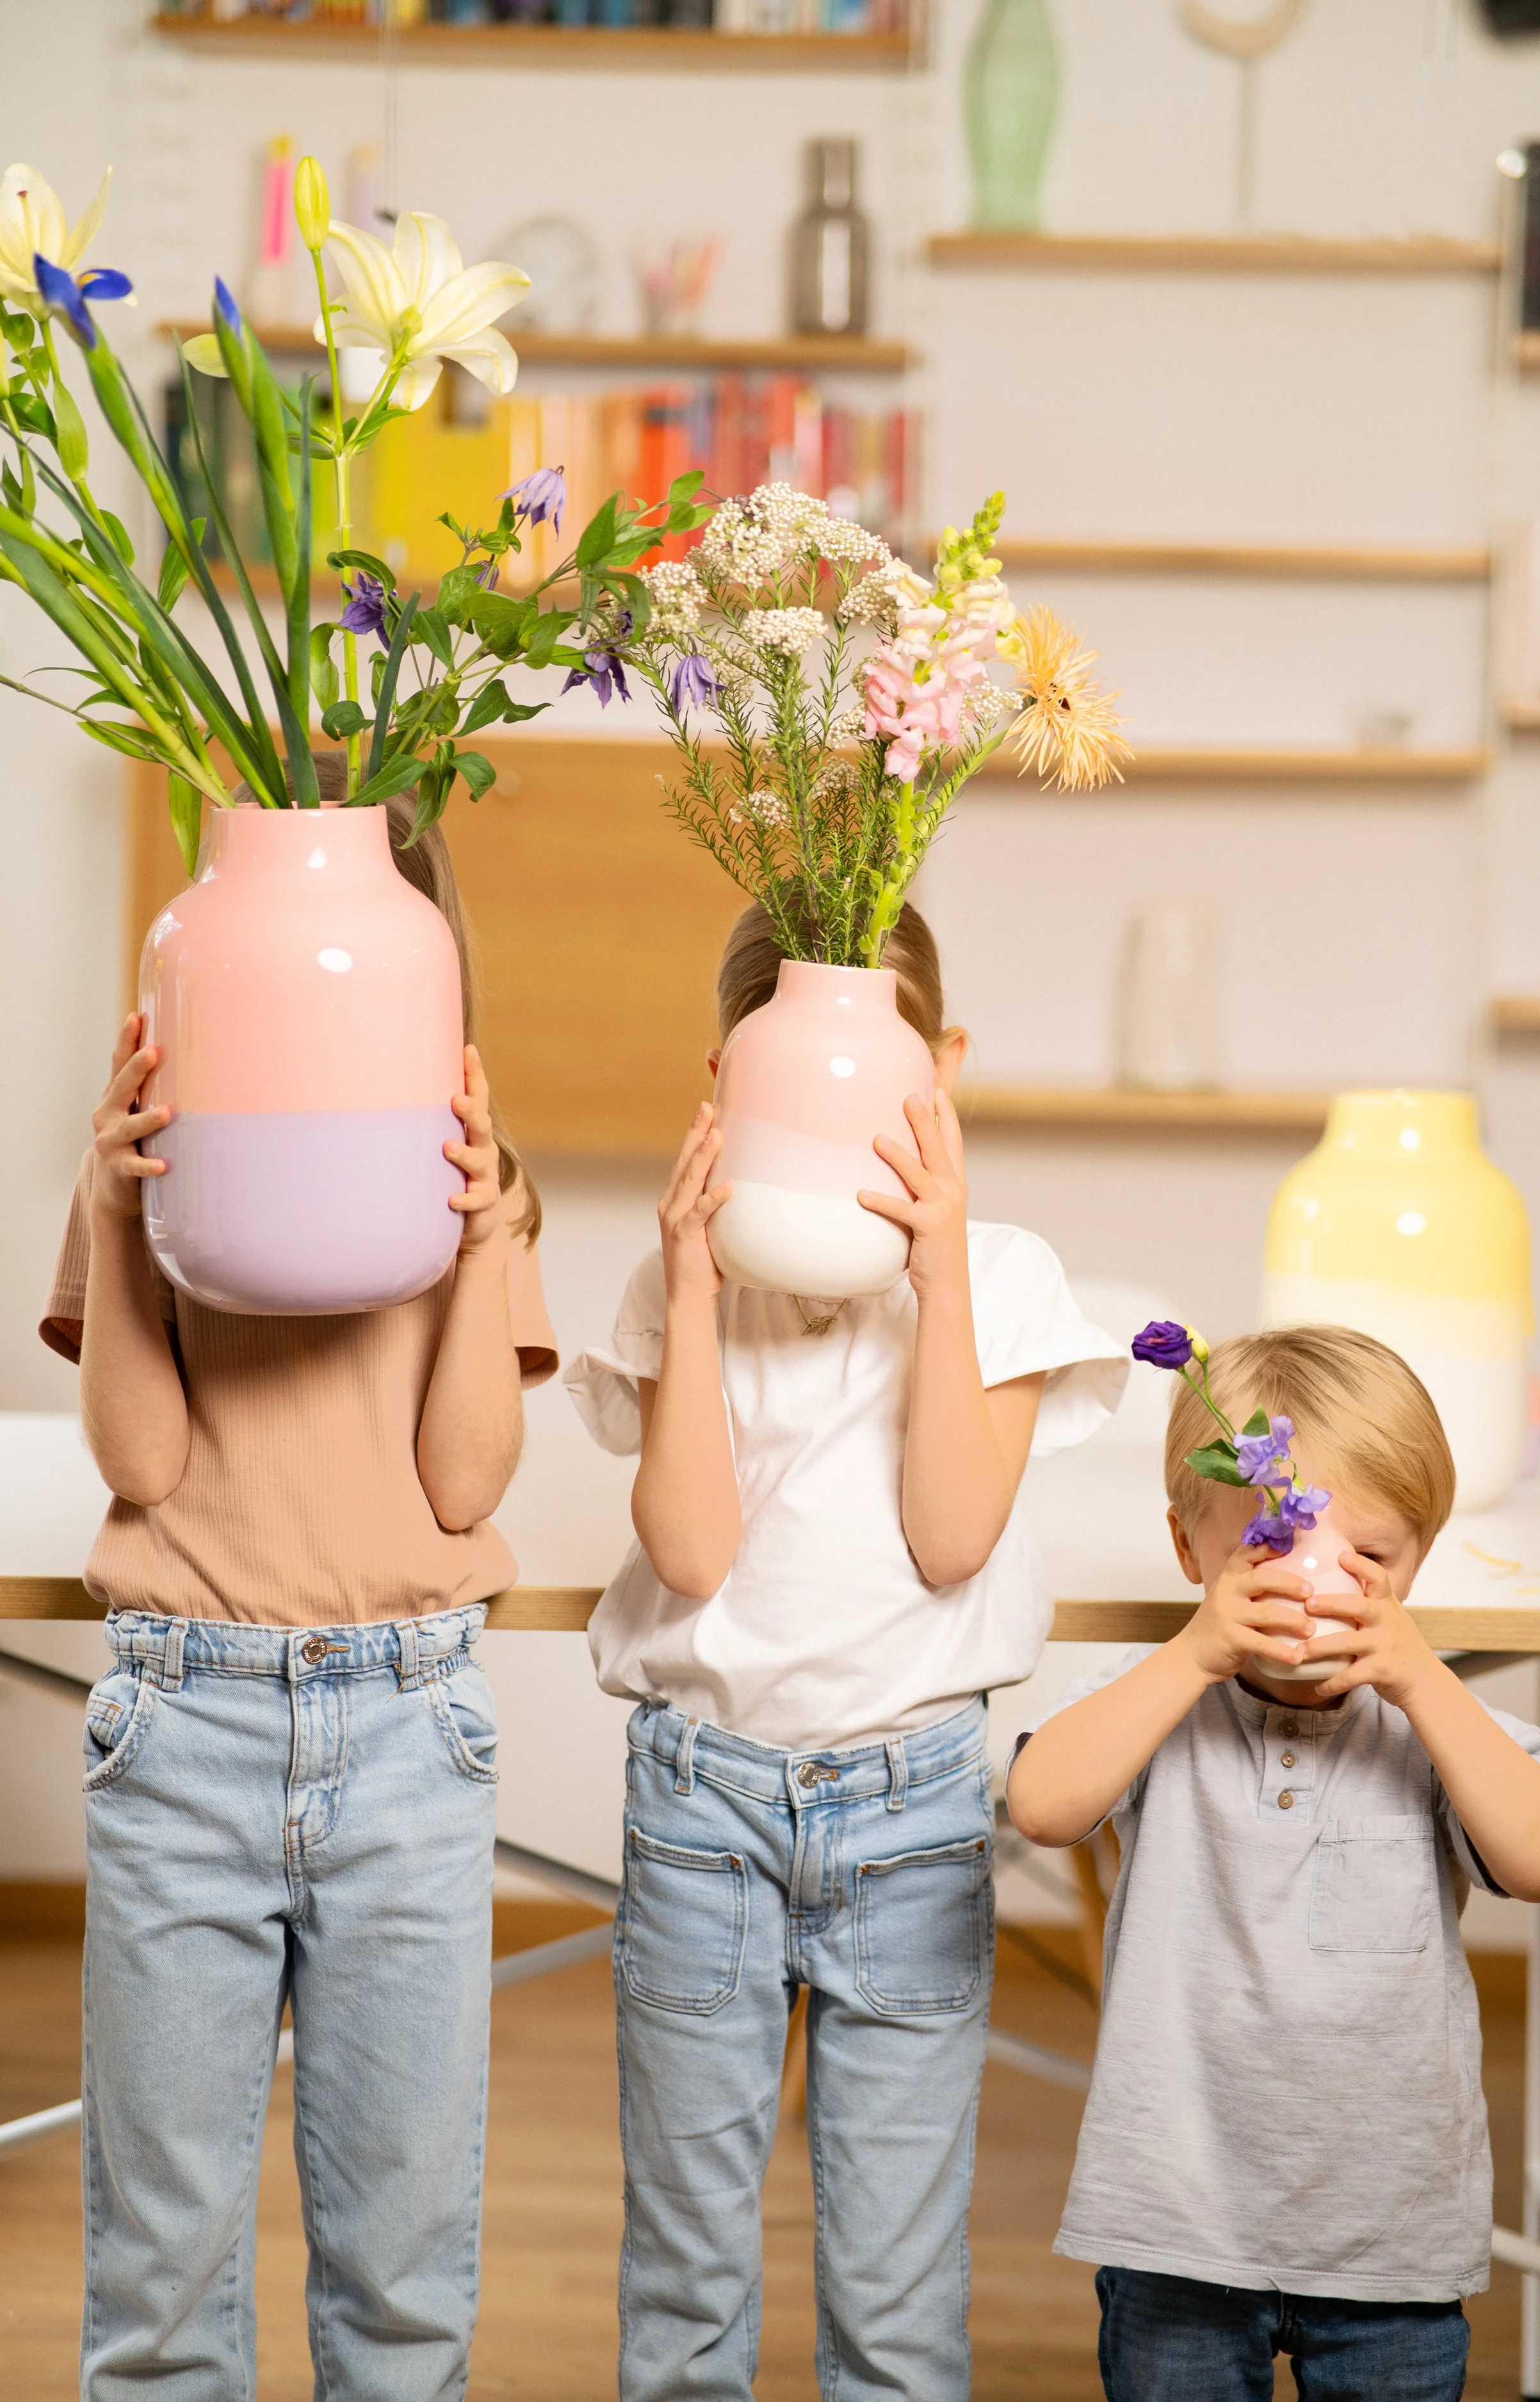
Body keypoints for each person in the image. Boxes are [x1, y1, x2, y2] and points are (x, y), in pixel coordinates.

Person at [564, 897, 1128, 2402]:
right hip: (703, 1811)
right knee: (683, 2281)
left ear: (940, 1068)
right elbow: (690, 1553)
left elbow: (949, 1535)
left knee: (892, 2292)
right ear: (724, 1080)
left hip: (913, 1811)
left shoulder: (997, 1280)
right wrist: (690, 1286)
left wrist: (936, 1265)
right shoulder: (683, 1290)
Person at [42, 756, 557, 2402]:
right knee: (161, 2279)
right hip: (183, 1719)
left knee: (404, 2278)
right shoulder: (150, 1159)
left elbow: (463, 1478)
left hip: (407, 1734)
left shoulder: (474, 1182)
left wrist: (481, 1240)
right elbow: (142, 1462)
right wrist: (118, 1212)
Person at [1007, 1323, 1540, 2402]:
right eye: (1274, 1550)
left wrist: (1422, 1682)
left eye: (1374, 1557)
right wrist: (1193, 1652)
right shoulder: (1162, 1704)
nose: (1328, 1586)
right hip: (1178, 2227)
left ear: (1418, 1560)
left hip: (1391, 2242)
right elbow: (1040, 1803)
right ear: (1192, 1554)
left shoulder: (1440, 1727)